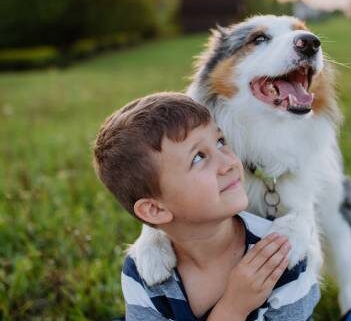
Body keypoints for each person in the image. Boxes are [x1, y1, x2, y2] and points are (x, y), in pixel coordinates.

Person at [92, 92, 319, 320]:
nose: (229, 162)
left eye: (220, 142)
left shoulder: (279, 257)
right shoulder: (142, 272)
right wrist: (233, 308)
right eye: (198, 158)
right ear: (155, 210)